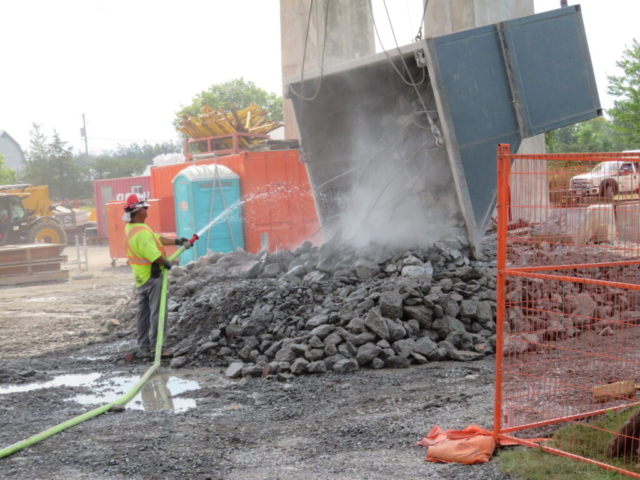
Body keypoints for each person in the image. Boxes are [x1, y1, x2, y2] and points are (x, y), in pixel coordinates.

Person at [122, 193, 192, 359]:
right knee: (158, 313)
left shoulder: (132, 228)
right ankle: (158, 348)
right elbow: (154, 255)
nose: (147, 210)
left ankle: (144, 347)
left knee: (144, 313)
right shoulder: (142, 233)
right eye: (145, 207)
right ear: (140, 211)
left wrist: (177, 241)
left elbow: (156, 239)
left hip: (140, 277)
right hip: (152, 277)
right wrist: (167, 263)